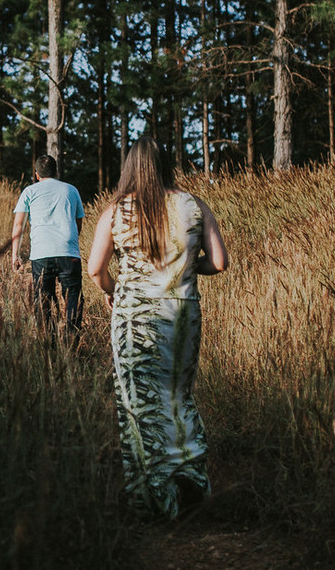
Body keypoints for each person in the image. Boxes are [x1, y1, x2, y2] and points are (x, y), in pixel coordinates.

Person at [87, 137, 228, 520]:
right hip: (183, 315)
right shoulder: (194, 205)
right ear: (166, 164)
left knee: (139, 407)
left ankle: (152, 498)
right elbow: (219, 261)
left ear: (129, 167)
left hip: (135, 319)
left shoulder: (116, 212)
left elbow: (95, 270)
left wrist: (115, 291)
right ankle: (191, 478)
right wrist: (186, 269)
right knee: (178, 396)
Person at [11, 155, 86, 342]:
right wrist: (70, 242)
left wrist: (15, 255)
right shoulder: (71, 190)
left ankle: (49, 347)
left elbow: (18, 226)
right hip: (69, 252)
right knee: (73, 300)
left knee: (43, 304)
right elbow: (78, 223)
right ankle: (71, 344)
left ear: (37, 175)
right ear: (57, 171)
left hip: (41, 254)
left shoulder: (29, 192)